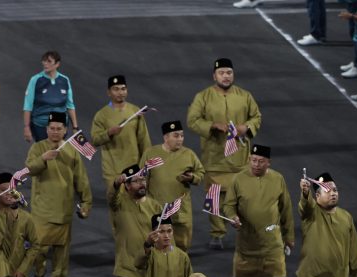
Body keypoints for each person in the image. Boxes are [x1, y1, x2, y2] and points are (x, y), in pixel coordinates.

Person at [187, 58, 262, 250]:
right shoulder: (203, 97)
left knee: (244, 198)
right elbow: (192, 120)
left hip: (240, 158)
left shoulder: (245, 96)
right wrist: (212, 125)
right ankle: (217, 233)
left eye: (229, 72)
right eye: (222, 73)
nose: (226, 76)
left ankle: (244, 231)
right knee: (214, 198)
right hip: (215, 158)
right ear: (214, 76)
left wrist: (246, 127)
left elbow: (256, 117)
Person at [223, 144, 295, 277]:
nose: (256, 164)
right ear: (249, 160)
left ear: (268, 163)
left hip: (272, 242)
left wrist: (289, 236)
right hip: (248, 241)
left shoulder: (278, 179)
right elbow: (229, 205)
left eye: (261, 161)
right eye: (253, 160)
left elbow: (286, 210)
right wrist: (233, 217)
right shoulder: (239, 179)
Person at [24, 111, 93, 277]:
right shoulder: (38, 148)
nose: (55, 132)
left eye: (59, 128)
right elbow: (29, 170)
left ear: (65, 130)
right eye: (51, 128)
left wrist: (86, 201)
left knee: (62, 251)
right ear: (46, 129)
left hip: (64, 209)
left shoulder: (72, 151)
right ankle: (39, 271)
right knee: (38, 249)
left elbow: (81, 179)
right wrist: (43, 159)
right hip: (42, 210)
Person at [142, 120, 205, 251]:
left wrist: (192, 177)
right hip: (157, 208)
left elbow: (201, 173)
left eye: (182, 135)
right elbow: (141, 176)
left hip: (181, 209)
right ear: (166, 137)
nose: (180, 139)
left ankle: (179, 267)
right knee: (158, 245)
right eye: (176, 136)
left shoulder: (189, 154)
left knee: (182, 246)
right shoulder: (151, 153)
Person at [91, 75, 152, 197]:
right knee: (116, 207)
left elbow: (144, 140)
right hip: (112, 170)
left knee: (136, 205)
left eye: (123, 89)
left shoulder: (135, 111)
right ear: (109, 92)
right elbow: (95, 140)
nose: (120, 92)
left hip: (134, 168)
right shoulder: (101, 115)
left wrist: (146, 165)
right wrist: (109, 133)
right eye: (116, 89)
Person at [22, 50, 77, 143]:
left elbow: (70, 105)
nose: (45, 64)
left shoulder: (65, 80)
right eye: (44, 61)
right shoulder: (35, 79)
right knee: (44, 154)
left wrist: (75, 127)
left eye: (49, 61)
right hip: (41, 126)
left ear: (57, 64)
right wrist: (26, 127)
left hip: (61, 126)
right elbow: (28, 105)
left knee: (58, 154)